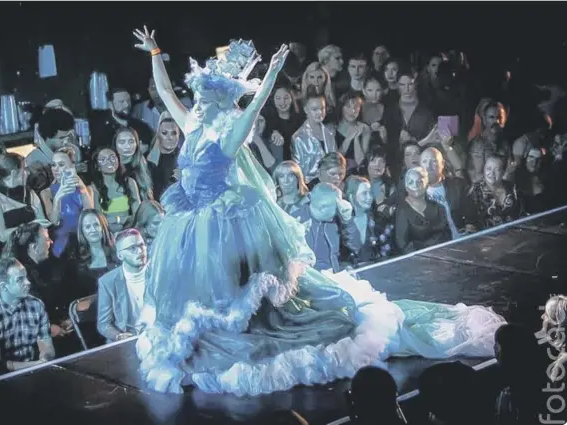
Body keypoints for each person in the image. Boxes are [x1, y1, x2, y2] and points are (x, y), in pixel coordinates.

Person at [132, 26, 505, 396]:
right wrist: (154, 53)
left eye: (205, 97)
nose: (197, 102)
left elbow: (257, 107)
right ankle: (205, 331)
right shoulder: (192, 123)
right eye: (199, 96)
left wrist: (273, 75)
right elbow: (165, 92)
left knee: (241, 291)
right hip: (191, 220)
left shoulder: (229, 136)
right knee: (198, 288)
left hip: (222, 222)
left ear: (221, 103)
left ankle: (245, 329)